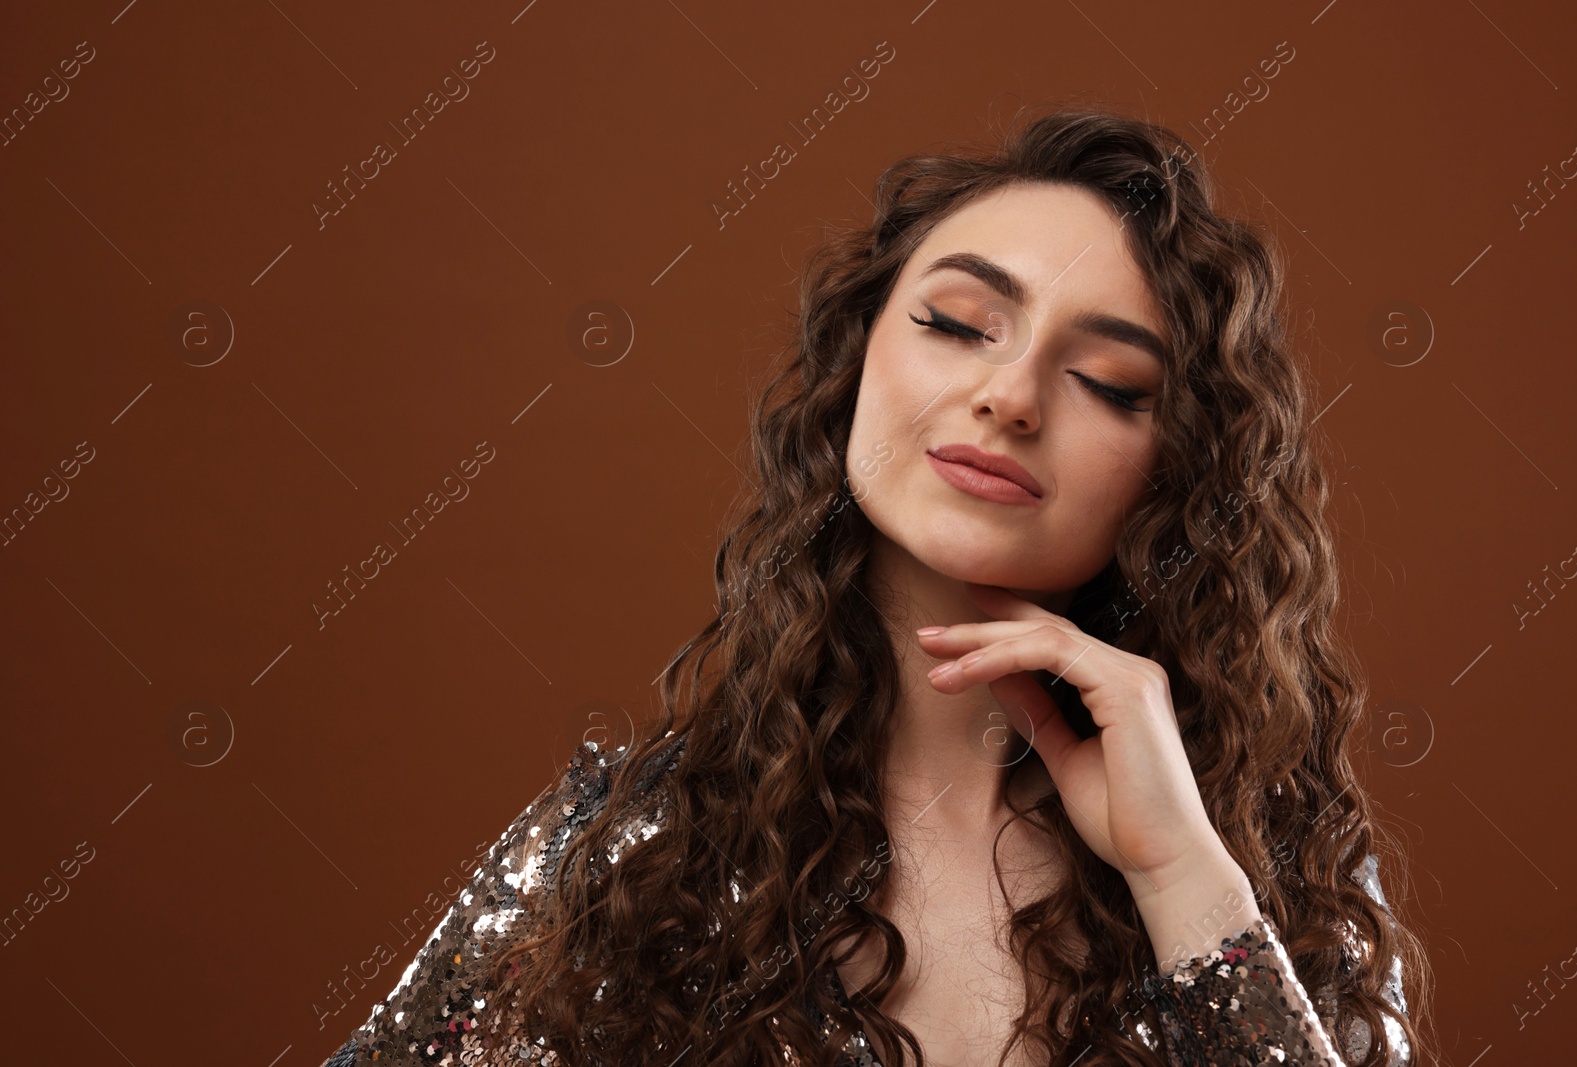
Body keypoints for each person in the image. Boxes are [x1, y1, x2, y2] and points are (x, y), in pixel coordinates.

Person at [318, 104, 1432, 1067]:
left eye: (1107, 380)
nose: (1011, 394)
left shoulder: (1263, 874)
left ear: (1175, 471)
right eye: (956, 323)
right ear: (856, 367)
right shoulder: (631, 853)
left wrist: (1182, 874)